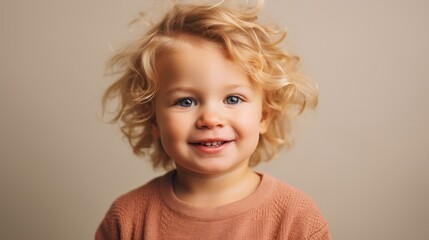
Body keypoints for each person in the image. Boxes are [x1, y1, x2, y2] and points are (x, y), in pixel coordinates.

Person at [96, 0, 330, 239]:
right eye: (186, 102)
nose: (210, 119)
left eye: (233, 99)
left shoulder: (296, 218)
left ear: (265, 116)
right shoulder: (127, 218)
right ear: (153, 120)